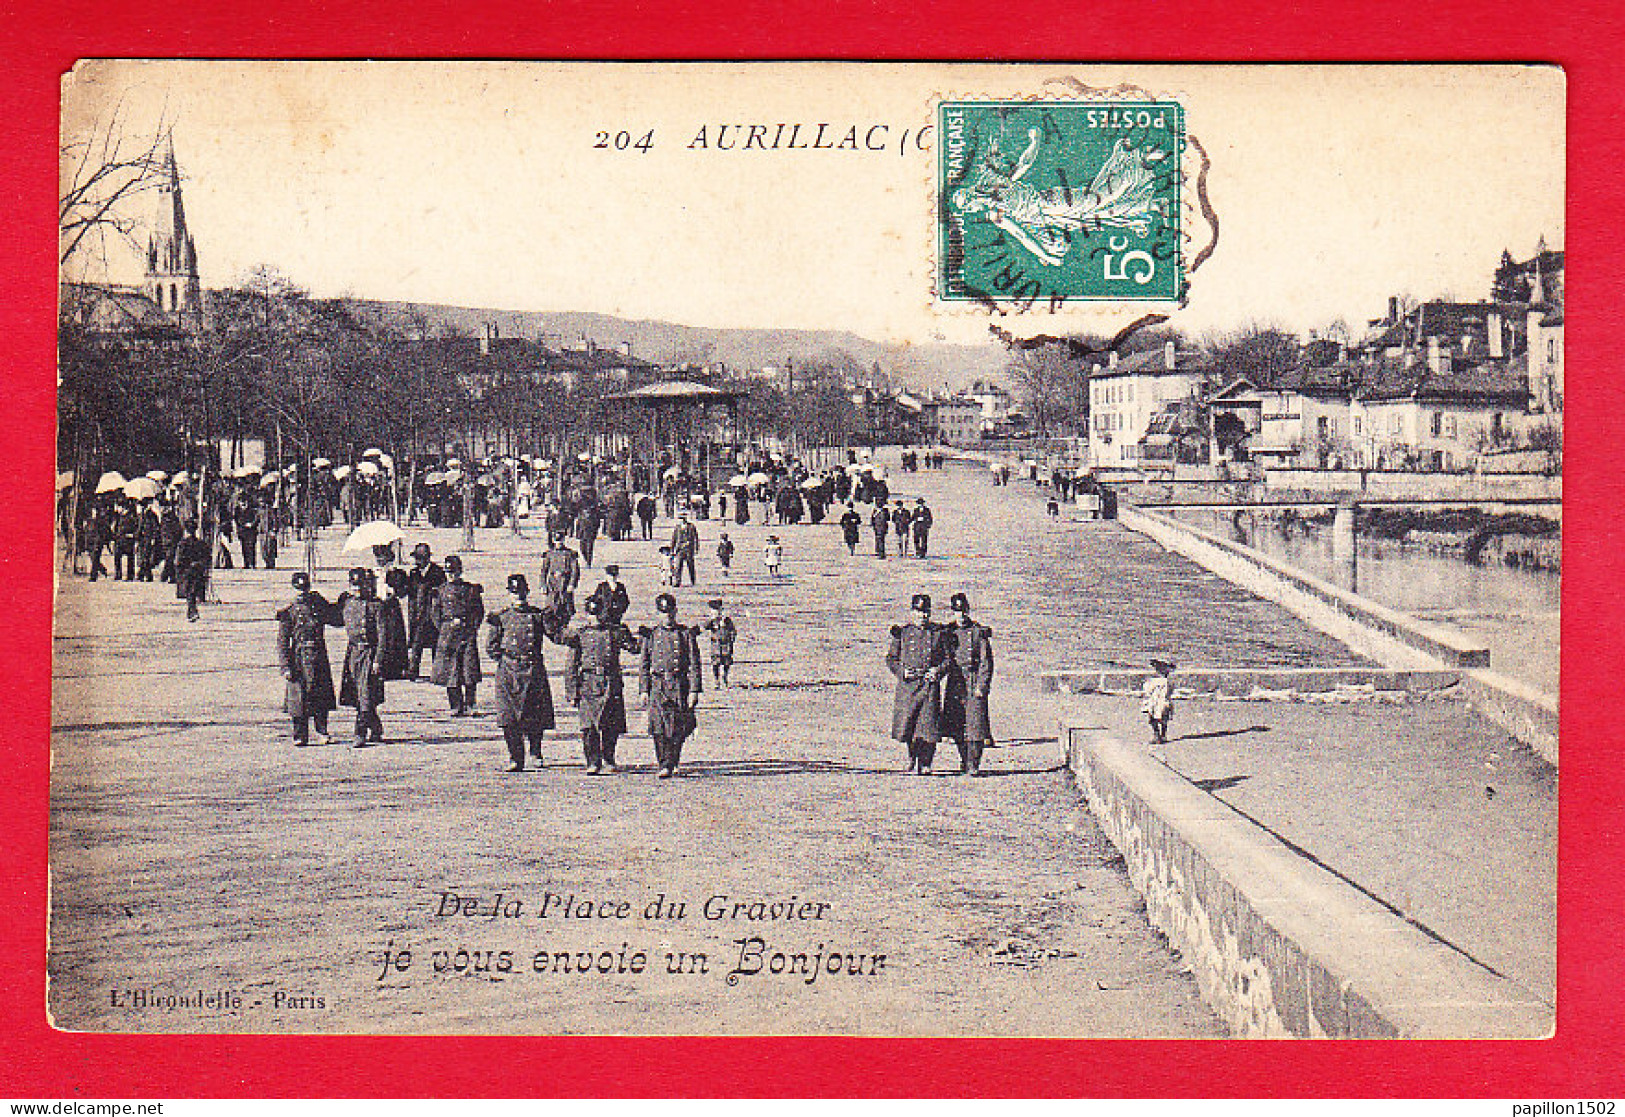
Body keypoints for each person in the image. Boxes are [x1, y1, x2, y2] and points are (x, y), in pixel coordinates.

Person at [486, 573, 556, 772]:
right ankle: (515, 758)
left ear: (528, 592)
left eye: (522, 592)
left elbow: (554, 633)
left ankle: (535, 752)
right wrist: (506, 661)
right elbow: (491, 646)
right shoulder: (502, 618)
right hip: (508, 671)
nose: (519, 596)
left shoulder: (537, 615)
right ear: (509, 594)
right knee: (508, 717)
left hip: (532, 669)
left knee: (535, 714)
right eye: (515, 592)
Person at [564, 594, 641, 774]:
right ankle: (592, 761)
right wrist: (571, 690)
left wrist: (639, 635)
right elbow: (571, 665)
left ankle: (608, 757)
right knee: (588, 726)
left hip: (611, 681)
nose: (595, 618)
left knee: (611, 724)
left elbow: (634, 648)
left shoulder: (615, 632)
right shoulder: (580, 635)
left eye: (598, 614)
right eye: (592, 615)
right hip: (588, 683)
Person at [640, 592, 703, 779]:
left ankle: (673, 760)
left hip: (678, 684)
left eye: (670, 613)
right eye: (663, 613)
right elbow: (644, 664)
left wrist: (694, 689)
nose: (666, 617)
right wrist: (643, 689)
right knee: (658, 726)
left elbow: (694, 664)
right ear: (658, 614)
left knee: (678, 727)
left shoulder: (685, 635)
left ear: (675, 612)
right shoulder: (651, 635)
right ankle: (664, 764)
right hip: (658, 684)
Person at [886, 593, 948, 774]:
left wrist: (937, 671)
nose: (923, 617)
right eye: (919, 612)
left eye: (926, 612)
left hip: (929, 686)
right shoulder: (903, 633)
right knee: (909, 726)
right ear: (912, 612)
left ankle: (926, 763)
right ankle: (912, 758)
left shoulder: (938, 633)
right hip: (908, 687)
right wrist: (901, 672)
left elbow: (947, 659)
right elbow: (891, 658)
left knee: (928, 727)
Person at [276, 571, 336, 746]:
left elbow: (336, 618)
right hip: (298, 657)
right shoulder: (289, 611)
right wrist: (285, 666)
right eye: (299, 590)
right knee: (298, 699)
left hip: (318, 654)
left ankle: (322, 730)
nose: (303, 593)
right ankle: (300, 734)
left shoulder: (318, 605)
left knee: (321, 696)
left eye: (305, 589)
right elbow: (282, 641)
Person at [940, 593, 994, 776]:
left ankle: (974, 763)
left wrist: (982, 686)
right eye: (957, 611)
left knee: (976, 725)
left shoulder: (978, 632)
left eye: (963, 611)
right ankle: (964, 760)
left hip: (973, 680)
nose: (960, 615)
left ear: (968, 610)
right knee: (957, 725)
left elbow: (986, 661)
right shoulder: (948, 632)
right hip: (955, 681)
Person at [338, 568, 391, 747]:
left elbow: (383, 635)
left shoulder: (377, 606)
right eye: (354, 586)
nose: (357, 590)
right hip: (353, 653)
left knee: (366, 693)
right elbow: (334, 619)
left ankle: (359, 733)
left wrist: (378, 659)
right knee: (358, 694)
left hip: (369, 653)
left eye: (360, 586)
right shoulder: (347, 603)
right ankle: (375, 727)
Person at [431, 554, 485, 715]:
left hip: (467, 633)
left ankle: (470, 704)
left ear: (460, 572)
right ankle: (455, 705)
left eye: (454, 572)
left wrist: (472, 628)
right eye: (449, 572)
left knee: (469, 670)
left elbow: (478, 611)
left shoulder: (470, 589)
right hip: (448, 634)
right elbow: (435, 614)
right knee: (450, 671)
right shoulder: (440, 591)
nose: (451, 576)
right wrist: (445, 628)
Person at [404, 543, 446, 680]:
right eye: (416, 558)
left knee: (435, 644)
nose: (417, 561)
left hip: (433, 616)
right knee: (416, 644)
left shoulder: (438, 572)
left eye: (420, 558)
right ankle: (413, 671)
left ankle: (437, 673)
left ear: (427, 558)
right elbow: (411, 596)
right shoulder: (413, 573)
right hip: (418, 615)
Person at [540, 534, 582, 635]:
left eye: (560, 541)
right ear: (553, 541)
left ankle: (564, 626)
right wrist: (543, 585)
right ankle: (553, 629)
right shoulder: (549, 554)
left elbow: (575, 570)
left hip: (565, 584)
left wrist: (572, 584)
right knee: (551, 606)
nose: (559, 543)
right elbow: (544, 571)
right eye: (556, 541)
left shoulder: (570, 554)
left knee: (566, 606)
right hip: (553, 584)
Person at [174, 524, 209, 622]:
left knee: (190, 593)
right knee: (193, 591)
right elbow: (207, 558)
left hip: (187, 571)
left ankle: (192, 612)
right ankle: (192, 612)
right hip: (198, 571)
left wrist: (179, 572)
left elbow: (179, 560)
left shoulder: (183, 544)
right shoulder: (201, 543)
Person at [702, 598, 736, 688]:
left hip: (726, 645)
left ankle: (725, 677)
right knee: (715, 663)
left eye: (717, 611)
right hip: (716, 645)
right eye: (713, 612)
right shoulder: (712, 621)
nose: (716, 613)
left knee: (726, 662)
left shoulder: (727, 620)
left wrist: (731, 640)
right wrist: (711, 620)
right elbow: (705, 626)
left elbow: (733, 631)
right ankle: (716, 680)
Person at [1143, 659, 1175, 746]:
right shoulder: (1168, 681)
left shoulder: (1154, 681)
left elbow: (1148, 691)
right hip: (1165, 701)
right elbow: (1171, 691)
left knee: (1153, 719)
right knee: (1164, 720)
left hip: (1155, 702)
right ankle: (1163, 735)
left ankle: (1157, 735)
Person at [669, 512, 699, 588]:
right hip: (680, 549)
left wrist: (696, 548)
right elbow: (674, 539)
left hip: (689, 549)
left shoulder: (691, 527)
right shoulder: (677, 527)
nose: (682, 520)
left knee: (691, 566)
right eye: (681, 519)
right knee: (678, 566)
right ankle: (678, 581)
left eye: (683, 518)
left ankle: (693, 581)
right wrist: (672, 549)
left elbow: (696, 538)